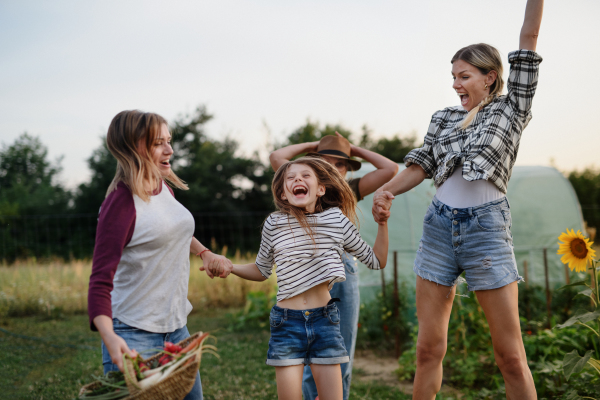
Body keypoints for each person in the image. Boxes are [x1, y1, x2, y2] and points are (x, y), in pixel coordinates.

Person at [372, 1, 544, 398]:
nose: (455, 84)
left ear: (490, 77)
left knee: (510, 356)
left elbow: (529, 37)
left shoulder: (512, 108)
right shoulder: (443, 118)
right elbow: (420, 166)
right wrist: (386, 190)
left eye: (464, 76)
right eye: (453, 76)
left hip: (487, 230)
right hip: (438, 227)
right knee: (428, 349)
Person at [208, 157, 389, 400]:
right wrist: (231, 267)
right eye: (290, 178)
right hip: (287, 323)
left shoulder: (336, 220)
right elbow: (261, 271)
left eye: (305, 176)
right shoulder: (274, 223)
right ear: (283, 194)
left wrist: (383, 223)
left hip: (324, 320)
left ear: (321, 189)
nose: (298, 180)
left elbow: (376, 260)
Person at [87, 110, 231, 400]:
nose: (170, 150)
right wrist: (110, 337)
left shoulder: (162, 187)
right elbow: (100, 281)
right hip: (133, 333)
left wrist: (203, 252)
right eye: (158, 143)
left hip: (177, 328)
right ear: (134, 147)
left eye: (169, 140)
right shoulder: (122, 203)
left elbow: (172, 228)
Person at [269, 133, 398, 400]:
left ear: (346, 168)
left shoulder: (350, 188)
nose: (332, 168)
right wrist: (312, 148)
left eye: (339, 164)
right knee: (308, 353)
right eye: (324, 162)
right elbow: (276, 158)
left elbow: (390, 168)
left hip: (343, 269)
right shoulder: (302, 183)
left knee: (340, 351)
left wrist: (353, 150)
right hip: (305, 274)